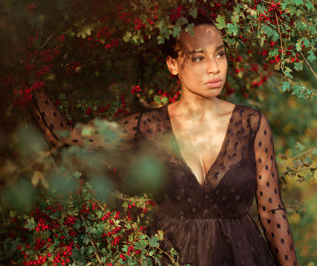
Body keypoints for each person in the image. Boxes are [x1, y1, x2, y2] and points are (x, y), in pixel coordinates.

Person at [31, 15, 298, 266]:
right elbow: (64, 140)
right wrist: (26, 79)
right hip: (171, 257)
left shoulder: (251, 124)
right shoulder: (148, 126)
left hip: (243, 257)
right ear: (173, 65)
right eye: (198, 58)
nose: (214, 68)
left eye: (220, 54)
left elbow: (272, 211)